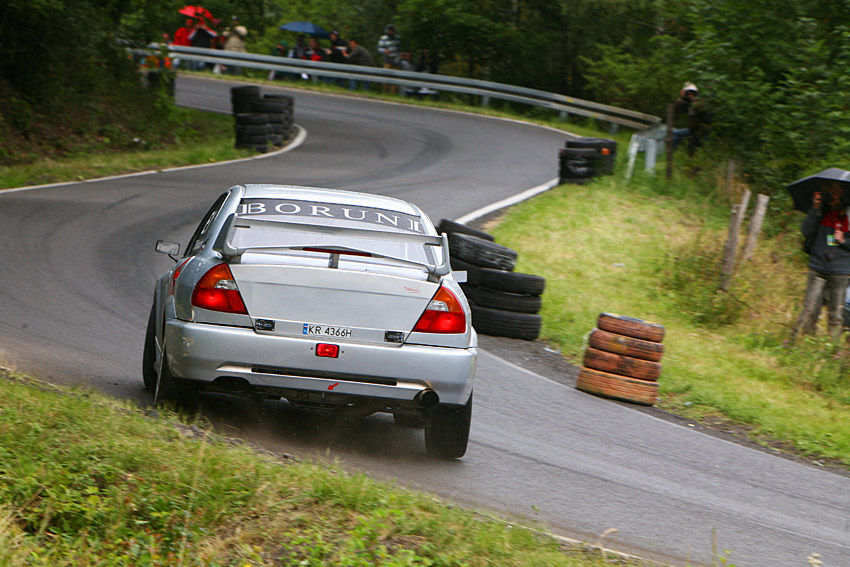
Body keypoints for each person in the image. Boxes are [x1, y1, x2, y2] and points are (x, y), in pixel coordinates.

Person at [797, 181, 850, 341]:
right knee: (810, 311)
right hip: (817, 266)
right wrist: (815, 207)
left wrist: (844, 241)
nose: (832, 196)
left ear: (842, 193)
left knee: (836, 315)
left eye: (835, 193)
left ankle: (833, 351)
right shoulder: (820, 211)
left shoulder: (848, 213)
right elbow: (805, 231)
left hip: (841, 271)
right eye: (829, 193)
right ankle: (806, 346)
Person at [672, 81, 711, 155]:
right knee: (675, 134)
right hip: (692, 130)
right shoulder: (687, 104)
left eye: (691, 93)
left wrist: (692, 99)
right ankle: (672, 155)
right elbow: (677, 109)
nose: (690, 95)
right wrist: (682, 97)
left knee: (704, 148)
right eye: (688, 93)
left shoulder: (700, 102)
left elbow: (700, 107)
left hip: (703, 131)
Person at [377, 24, 401, 94]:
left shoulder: (397, 38)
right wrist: (385, 51)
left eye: (392, 31)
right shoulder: (383, 38)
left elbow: (399, 48)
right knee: (385, 77)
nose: (391, 32)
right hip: (387, 60)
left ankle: (392, 93)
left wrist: (399, 56)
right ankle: (384, 92)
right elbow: (379, 49)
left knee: (395, 78)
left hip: (396, 60)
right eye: (389, 31)